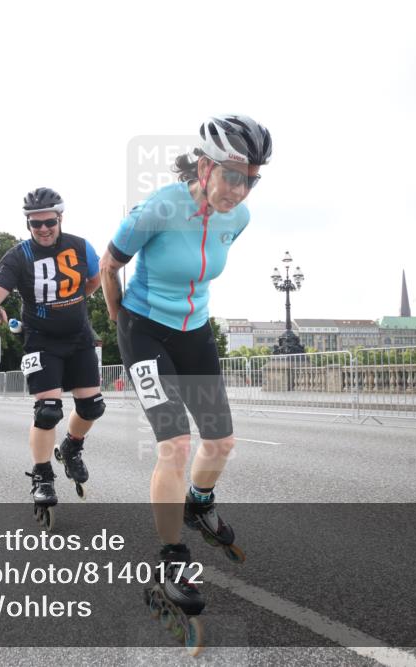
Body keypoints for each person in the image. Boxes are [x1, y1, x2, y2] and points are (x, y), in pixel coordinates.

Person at [100, 115, 272, 615]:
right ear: (204, 166)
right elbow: (110, 266)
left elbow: (204, 270)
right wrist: (120, 326)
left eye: (252, 179)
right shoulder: (158, 208)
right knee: (175, 445)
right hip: (144, 328)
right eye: (234, 175)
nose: (241, 191)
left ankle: (199, 502)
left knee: (220, 443)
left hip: (194, 331)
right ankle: (172, 557)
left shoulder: (238, 219)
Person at [0, 187, 105, 526]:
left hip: (78, 337)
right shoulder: (18, 256)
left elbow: (92, 282)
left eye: (49, 222)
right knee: (48, 410)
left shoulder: (80, 246)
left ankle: (72, 446)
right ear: (28, 224)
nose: (44, 229)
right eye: (36, 224)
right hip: (41, 339)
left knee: (93, 406)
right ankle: (42, 474)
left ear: (60, 218)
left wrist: (71, 303)